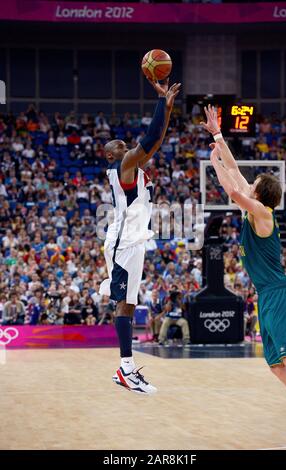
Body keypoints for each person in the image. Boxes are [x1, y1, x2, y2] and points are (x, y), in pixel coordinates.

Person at [201, 104, 286, 403]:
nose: (250, 182)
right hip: (266, 294)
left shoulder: (262, 213)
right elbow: (231, 174)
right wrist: (216, 149)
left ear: (259, 193)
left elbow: (233, 190)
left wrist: (221, 162)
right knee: (276, 366)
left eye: (253, 184)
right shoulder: (254, 208)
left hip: (279, 293)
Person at [99, 78, 181, 394]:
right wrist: (161, 100)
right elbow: (149, 139)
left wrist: (168, 108)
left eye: (123, 143)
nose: (123, 145)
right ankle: (126, 370)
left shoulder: (132, 165)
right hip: (125, 242)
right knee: (123, 303)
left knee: (129, 304)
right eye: (117, 145)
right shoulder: (123, 165)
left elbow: (156, 139)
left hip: (132, 241)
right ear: (110, 156)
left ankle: (127, 369)